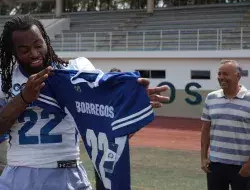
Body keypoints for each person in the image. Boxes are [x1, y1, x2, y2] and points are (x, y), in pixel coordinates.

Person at [0, 14, 168, 190]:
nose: (34, 53)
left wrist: (132, 98)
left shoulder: (74, 71)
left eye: (38, 45)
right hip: (20, 174)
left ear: (46, 40)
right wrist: (23, 99)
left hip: (67, 172)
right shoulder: (6, 81)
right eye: (25, 50)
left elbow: (104, 98)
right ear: (13, 51)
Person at [201, 60, 250, 190]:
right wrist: (203, 157)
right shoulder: (211, 98)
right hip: (215, 164)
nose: (221, 77)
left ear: (238, 76)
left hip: (243, 166)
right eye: (219, 74)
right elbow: (205, 130)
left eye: (226, 74)